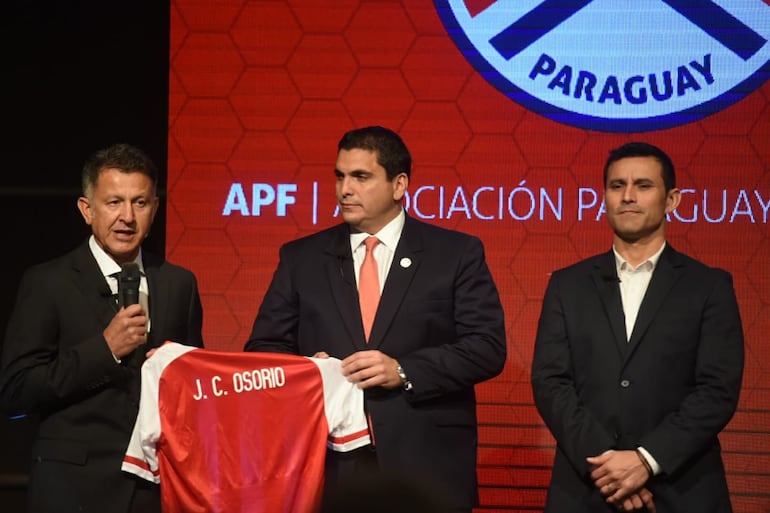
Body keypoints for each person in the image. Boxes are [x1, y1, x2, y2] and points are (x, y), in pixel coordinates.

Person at [244, 125, 506, 513]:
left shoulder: (455, 253)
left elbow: (486, 347)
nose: (344, 188)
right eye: (339, 175)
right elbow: (263, 348)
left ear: (399, 185)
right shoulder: (301, 258)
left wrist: (404, 369)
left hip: (425, 467)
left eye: (360, 177)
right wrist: (305, 371)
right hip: (328, 464)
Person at [531, 141, 744, 513]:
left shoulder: (709, 286)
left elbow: (717, 389)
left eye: (643, 185)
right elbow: (551, 383)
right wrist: (609, 466)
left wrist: (646, 460)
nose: (628, 196)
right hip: (588, 487)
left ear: (671, 199)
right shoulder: (568, 284)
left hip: (683, 489)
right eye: (617, 186)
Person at [0, 143, 204, 513]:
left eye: (140, 203)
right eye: (113, 203)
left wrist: (176, 373)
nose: (127, 216)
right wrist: (105, 350)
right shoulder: (48, 283)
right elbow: (16, 392)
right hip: (72, 490)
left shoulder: (179, 284)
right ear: (87, 210)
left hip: (154, 490)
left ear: (155, 209)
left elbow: (194, 391)